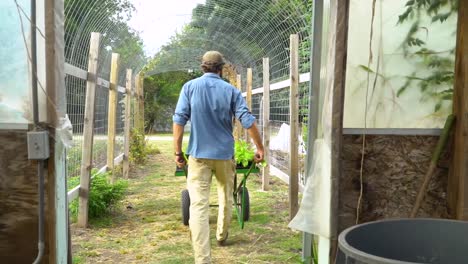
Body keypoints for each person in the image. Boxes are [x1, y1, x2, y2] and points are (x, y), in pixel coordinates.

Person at [173, 51, 264, 264]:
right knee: (226, 195)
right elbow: (247, 120)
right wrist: (259, 147)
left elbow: (179, 120)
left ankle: (202, 259)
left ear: (203, 67)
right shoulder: (231, 90)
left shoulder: (189, 87)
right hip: (224, 154)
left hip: (198, 155)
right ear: (221, 69)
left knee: (198, 205)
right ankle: (222, 235)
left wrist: (177, 152)